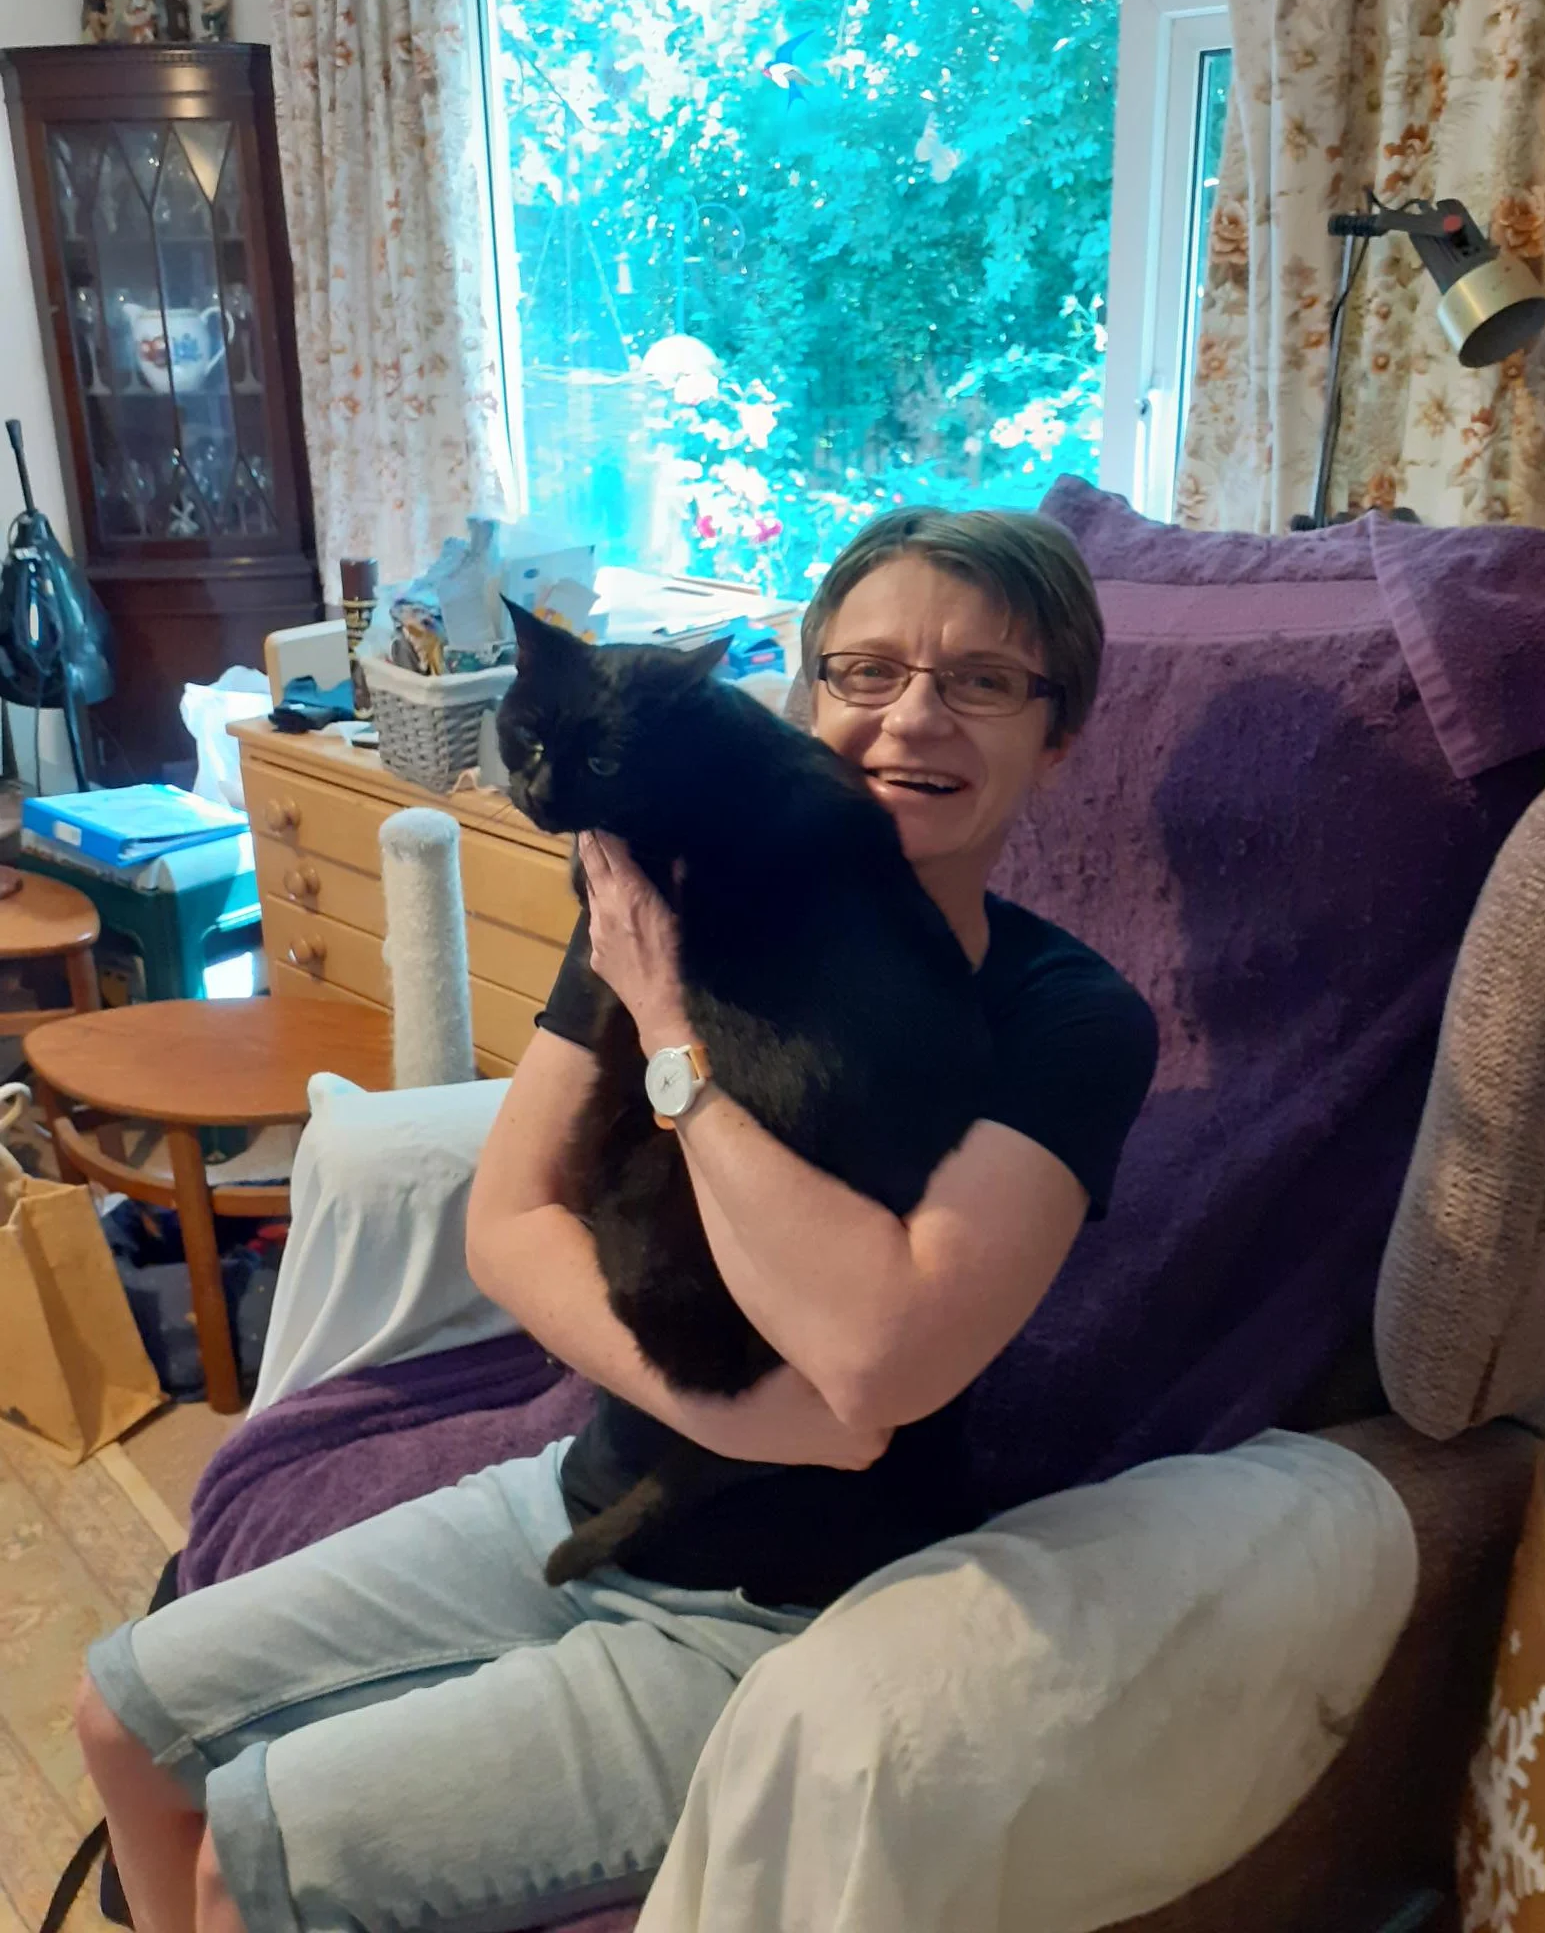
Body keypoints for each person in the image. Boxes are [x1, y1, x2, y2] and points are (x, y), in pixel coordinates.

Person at [74, 507, 1158, 1933]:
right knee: (114, 1713)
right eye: (867, 671)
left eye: (982, 682)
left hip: (782, 1611)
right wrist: (739, 1415)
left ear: (1058, 735)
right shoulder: (665, 881)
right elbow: (508, 1224)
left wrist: (665, 1026)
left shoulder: (1071, 1021)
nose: (912, 719)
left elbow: (878, 1361)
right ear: (801, 692)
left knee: (250, 1857)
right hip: (591, 1489)